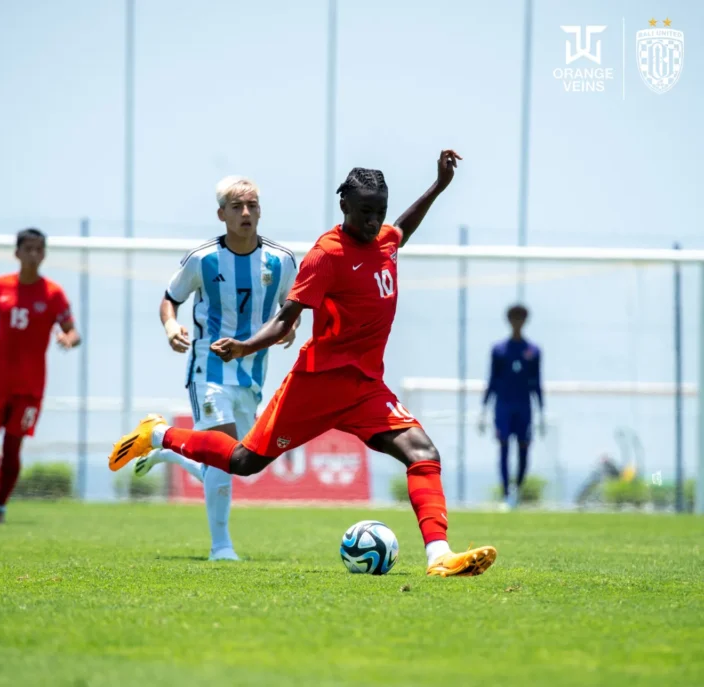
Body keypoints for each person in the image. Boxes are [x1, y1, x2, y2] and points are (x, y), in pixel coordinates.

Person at [109, 150, 497, 577]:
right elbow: (285, 320)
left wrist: (438, 186)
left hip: (366, 387)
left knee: (423, 453)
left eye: (379, 212)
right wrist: (243, 347)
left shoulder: (385, 240)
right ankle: (158, 434)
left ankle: (439, 556)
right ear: (344, 205)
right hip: (317, 384)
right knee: (243, 462)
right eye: (365, 212)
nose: (373, 221)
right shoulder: (326, 254)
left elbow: (403, 227)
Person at [136, 176, 298, 561]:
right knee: (224, 454)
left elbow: (289, 308)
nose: (246, 213)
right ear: (221, 214)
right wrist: (171, 326)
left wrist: (291, 328)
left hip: (252, 374)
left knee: (238, 462)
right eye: (237, 206)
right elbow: (170, 298)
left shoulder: (281, 260)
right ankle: (221, 547)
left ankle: (169, 448)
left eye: (252, 205)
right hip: (208, 369)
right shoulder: (203, 258)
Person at [0, 228, 80, 523]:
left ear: (44, 254)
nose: (33, 254)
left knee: (12, 447)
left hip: (30, 388)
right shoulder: (0, 286)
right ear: (17, 253)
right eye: (28, 249)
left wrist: (68, 339)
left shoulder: (53, 293)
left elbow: (73, 331)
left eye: (39, 249)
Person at [479, 305, 544, 509]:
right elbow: (492, 379)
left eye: (520, 318)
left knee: (524, 447)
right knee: (504, 446)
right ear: (509, 321)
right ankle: (507, 493)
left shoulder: (533, 351)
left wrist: (541, 409)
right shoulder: (499, 350)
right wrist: (484, 409)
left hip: (524, 407)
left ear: (525, 321)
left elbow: (537, 382)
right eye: (514, 318)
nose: (517, 322)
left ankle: (518, 489)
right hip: (503, 406)